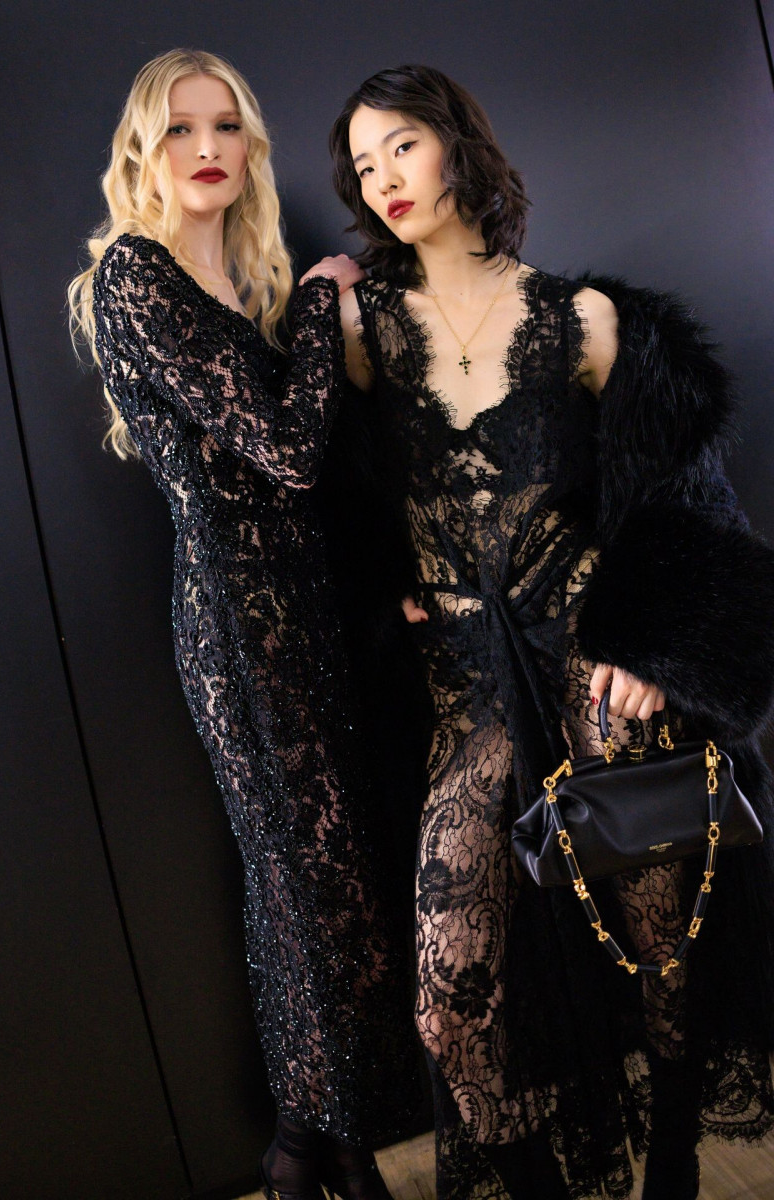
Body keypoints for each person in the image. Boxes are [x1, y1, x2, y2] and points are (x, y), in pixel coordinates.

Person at [325, 63, 774, 1200]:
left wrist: (656, 646)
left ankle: (672, 1163)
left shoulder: (582, 317)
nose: (382, 179)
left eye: (402, 146)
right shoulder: (358, 326)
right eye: (362, 164)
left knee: (662, 939)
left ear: (458, 145)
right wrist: (384, 584)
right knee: (448, 992)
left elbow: (688, 501)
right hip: (466, 690)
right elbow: (326, 491)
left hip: (589, 665)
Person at [68, 48, 418, 1200]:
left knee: (327, 891)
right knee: (311, 896)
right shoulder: (136, 277)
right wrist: (320, 302)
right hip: (237, 629)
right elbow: (284, 450)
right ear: (145, 148)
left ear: (249, 145)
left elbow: (307, 478)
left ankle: (310, 1148)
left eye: (224, 125)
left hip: (309, 615)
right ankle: (328, 1153)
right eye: (180, 128)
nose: (207, 147)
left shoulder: (236, 284)